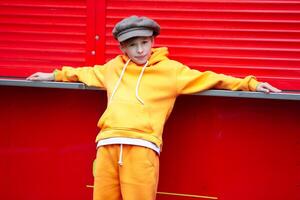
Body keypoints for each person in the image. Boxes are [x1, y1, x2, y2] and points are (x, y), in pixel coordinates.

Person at [27, 16, 281, 200]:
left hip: (142, 148)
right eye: (132, 44)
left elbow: (212, 77)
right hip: (106, 146)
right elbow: (83, 73)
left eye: (145, 42)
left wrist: (252, 84)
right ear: (122, 47)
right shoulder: (112, 68)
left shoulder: (171, 71)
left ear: (153, 42)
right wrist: (52, 75)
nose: (140, 50)